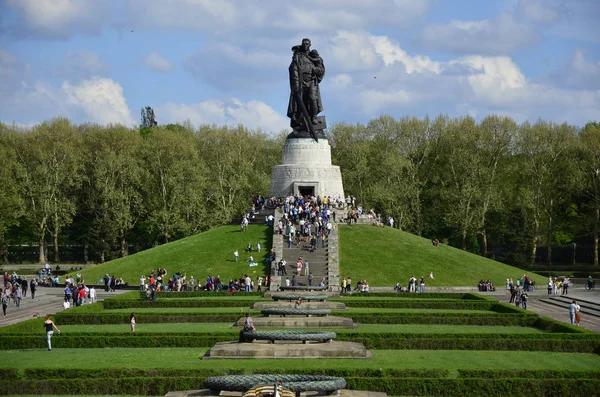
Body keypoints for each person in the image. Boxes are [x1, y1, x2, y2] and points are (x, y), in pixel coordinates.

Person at [287, 38, 325, 133]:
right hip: (300, 82)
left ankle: (314, 117)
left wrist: (315, 70)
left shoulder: (313, 55)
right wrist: (295, 81)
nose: (305, 45)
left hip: (311, 81)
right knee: (301, 102)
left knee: (312, 98)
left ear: (310, 45)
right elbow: (293, 67)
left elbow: (321, 69)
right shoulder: (298, 56)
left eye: (307, 44)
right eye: (304, 43)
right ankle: (300, 122)